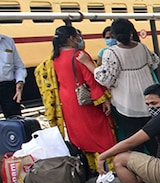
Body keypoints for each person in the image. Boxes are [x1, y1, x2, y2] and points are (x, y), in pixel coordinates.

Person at [36, 26, 115, 171]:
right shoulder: (79, 55)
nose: (80, 39)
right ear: (71, 38)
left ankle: (91, 166)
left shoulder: (53, 59)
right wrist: (103, 99)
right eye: (78, 36)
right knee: (100, 132)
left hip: (67, 102)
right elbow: (90, 79)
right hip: (85, 101)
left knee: (79, 133)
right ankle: (108, 165)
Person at [94, 18, 160, 153]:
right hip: (147, 98)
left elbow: (105, 79)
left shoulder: (111, 53)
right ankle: (159, 167)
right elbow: (155, 62)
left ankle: (142, 170)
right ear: (131, 32)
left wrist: (93, 67)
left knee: (134, 140)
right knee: (152, 137)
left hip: (126, 102)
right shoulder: (142, 47)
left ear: (114, 34)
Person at [0, 33, 26, 118]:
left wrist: (20, 81)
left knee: (15, 121)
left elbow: (19, 66)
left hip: (8, 88)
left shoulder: (8, 41)